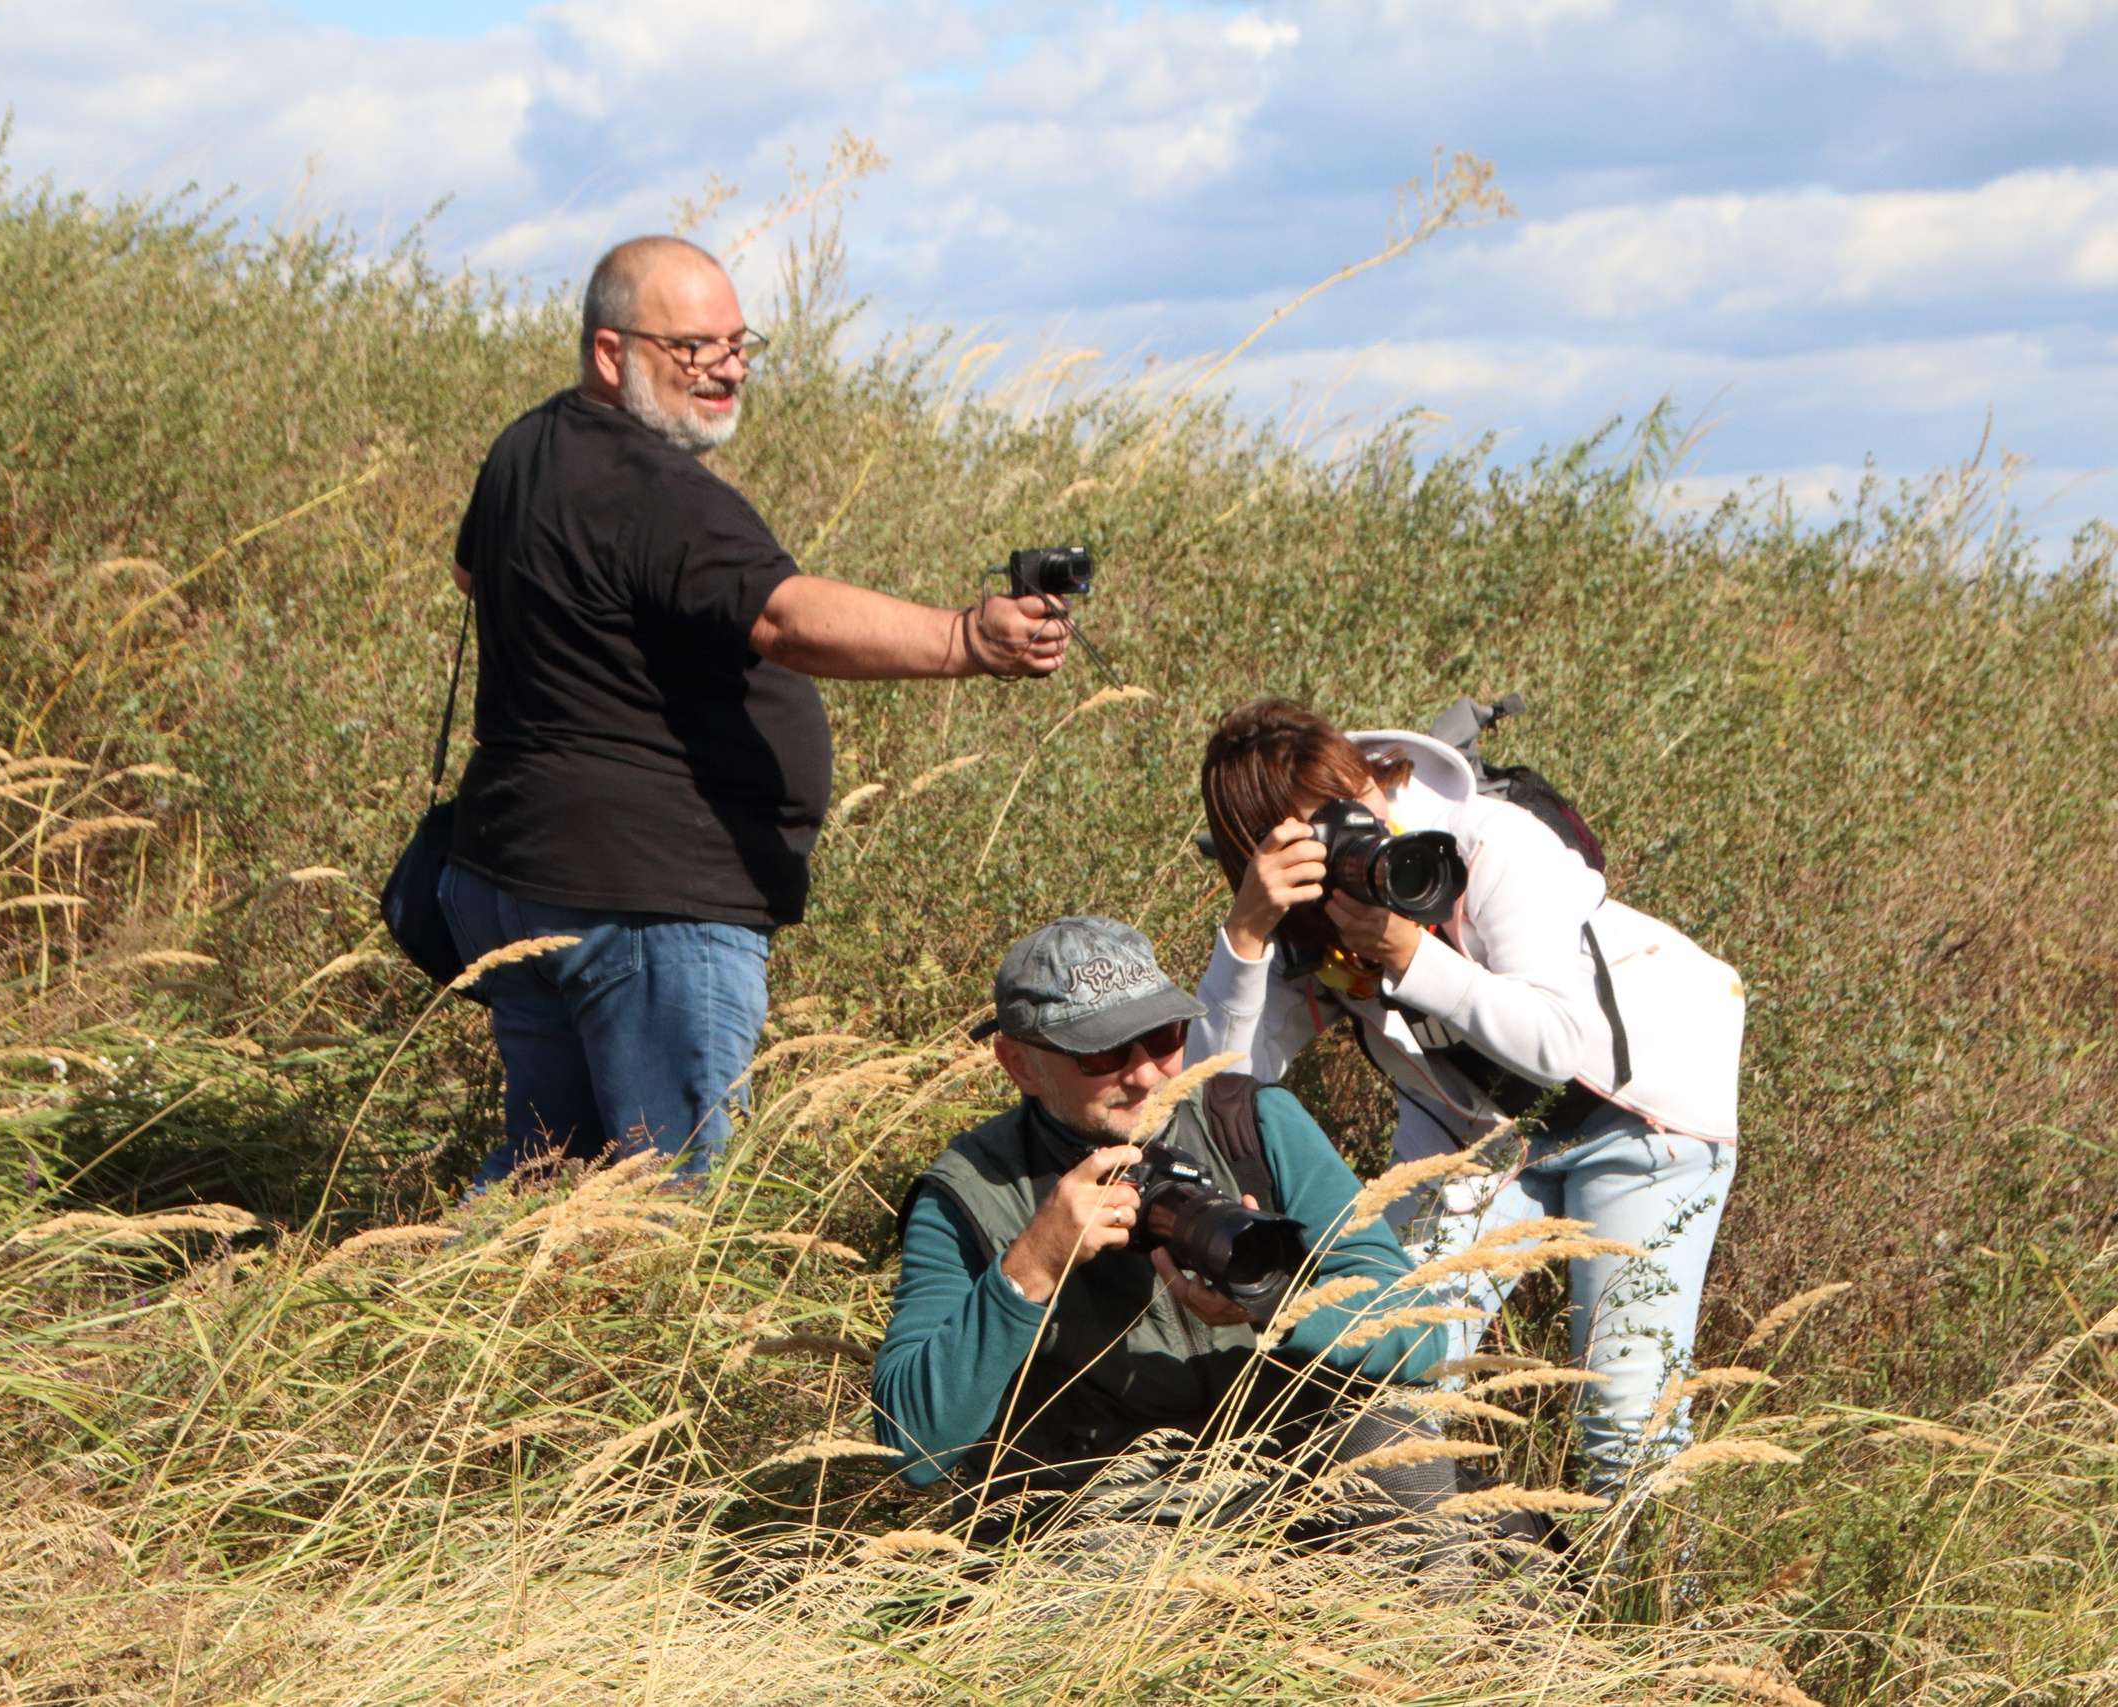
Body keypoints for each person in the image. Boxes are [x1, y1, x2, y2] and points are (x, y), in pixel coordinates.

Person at [440, 235, 1067, 1191]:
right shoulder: (662, 492)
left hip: (519, 875)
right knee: (673, 1200)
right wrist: (968, 640)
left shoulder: (526, 447)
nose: (727, 368)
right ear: (612, 354)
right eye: (693, 348)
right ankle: (653, 1346)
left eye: (739, 343)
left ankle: (458, 1317)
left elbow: (470, 571)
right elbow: (784, 615)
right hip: (647, 906)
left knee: (543, 1176)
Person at [1188, 698, 1746, 1495]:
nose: (1360, 840)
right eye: (1321, 841)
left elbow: (1558, 1041)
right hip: (1481, 1141)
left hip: (1644, 1113)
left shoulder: (1489, 842)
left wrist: (1410, 954)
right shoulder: (1310, 927)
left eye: (1359, 804)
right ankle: (1429, 1592)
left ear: (1376, 774)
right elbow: (1217, 1087)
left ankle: (1659, 1616)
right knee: (1390, 1362)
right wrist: (1248, 931)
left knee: (1628, 1423)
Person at [872, 916, 1456, 1527]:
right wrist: (1032, 1264)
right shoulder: (969, 1193)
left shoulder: (1249, 1124)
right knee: (1109, 1563)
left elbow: (1422, 1335)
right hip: (1108, 1517)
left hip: (1287, 1474)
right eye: (1103, 1051)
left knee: (1401, 1450)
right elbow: (913, 1448)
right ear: (1019, 1064)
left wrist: (1280, 1308)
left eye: (1164, 1036)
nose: (1147, 1074)